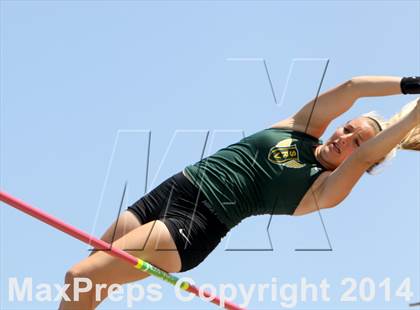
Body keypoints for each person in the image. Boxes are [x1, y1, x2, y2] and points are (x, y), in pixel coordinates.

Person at [59, 76, 420, 309]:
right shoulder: (301, 127)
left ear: (361, 159)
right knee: (85, 291)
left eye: (355, 144)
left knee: (81, 277)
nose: (343, 140)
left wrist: (415, 115)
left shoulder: (324, 187)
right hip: (172, 191)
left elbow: (372, 152)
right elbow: (352, 88)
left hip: (195, 223)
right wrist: (409, 84)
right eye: (347, 129)